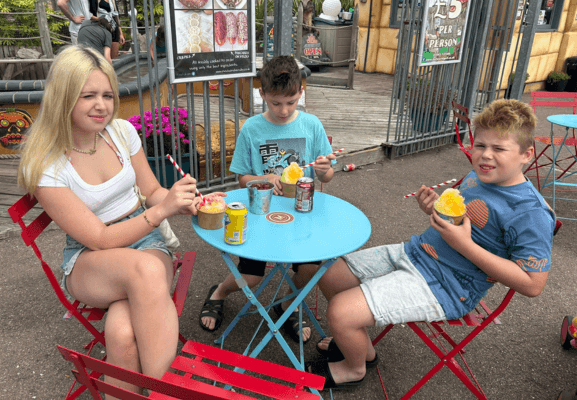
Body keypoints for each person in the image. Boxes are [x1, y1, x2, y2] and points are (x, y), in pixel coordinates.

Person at [307, 99, 556, 389]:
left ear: (527, 154)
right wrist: (436, 209)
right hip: (416, 253)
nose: (485, 156)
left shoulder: (531, 213)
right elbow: (463, 220)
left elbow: (533, 285)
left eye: (499, 149)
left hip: (450, 286)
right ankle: (364, 351)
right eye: (480, 145)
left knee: (339, 311)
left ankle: (353, 369)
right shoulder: (479, 176)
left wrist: (463, 246)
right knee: (329, 272)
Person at [17, 46, 220, 398]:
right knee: (145, 272)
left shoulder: (121, 133)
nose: (102, 105)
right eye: (88, 96)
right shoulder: (46, 165)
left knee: (123, 334)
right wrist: (160, 211)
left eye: (108, 95)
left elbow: (153, 190)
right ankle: (167, 394)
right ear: (63, 98)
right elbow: (98, 238)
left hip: (146, 244)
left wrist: (183, 202)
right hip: (90, 259)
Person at [198, 56, 336, 344]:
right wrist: (264, 179)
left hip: (303, 216)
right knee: (251, 278)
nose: (283, 110)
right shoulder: (252, 128)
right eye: (275, 103)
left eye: (290, 102)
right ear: (262, 94)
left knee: (311, 268)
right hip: (261, 215)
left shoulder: (311, 125)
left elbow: (326, 177)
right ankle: (220, 291)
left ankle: (289, 304)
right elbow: (242, 178)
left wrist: (325, 170)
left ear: (301, 92)